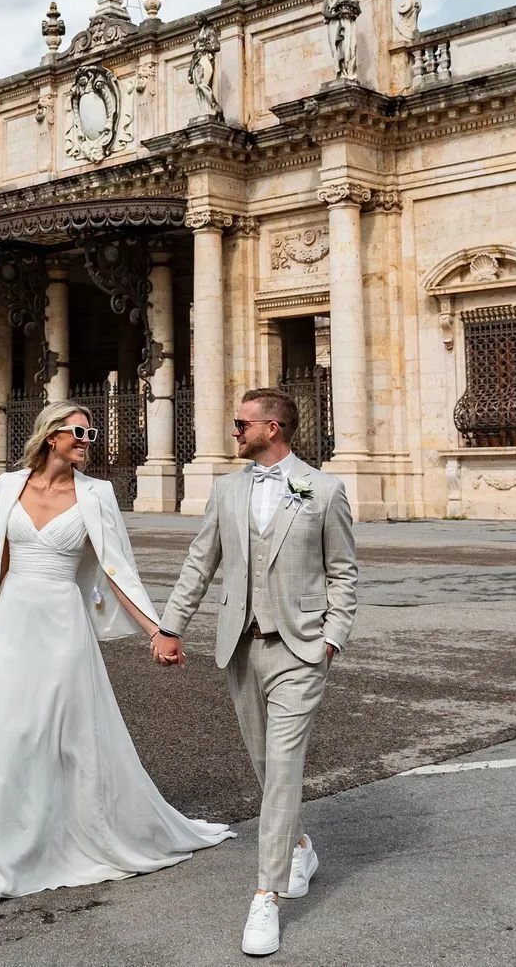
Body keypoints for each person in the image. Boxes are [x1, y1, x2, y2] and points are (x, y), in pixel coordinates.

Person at [0, 398, 232, 912]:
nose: (89, 442)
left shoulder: (97, 494)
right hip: (13, 621)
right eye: (80, 433)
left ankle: (72, 838)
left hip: (63, 624)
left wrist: (158, 630)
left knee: (64, 739)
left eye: (92, 434)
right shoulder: (6, 487)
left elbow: (117, 569)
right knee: (5, 740)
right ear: (51, 436)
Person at [153, 389, 358, 957]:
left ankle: (265, 895)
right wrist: (170, 627)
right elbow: (201, 560)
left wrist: (332, 638)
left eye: (242, 423)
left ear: (273, 427)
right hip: (240, 646)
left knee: (285, 766)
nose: (234, 430)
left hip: (300, 648)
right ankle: (300, 846)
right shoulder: (227, 488)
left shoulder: (324, 489)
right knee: (266, 766)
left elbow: (343, 572)